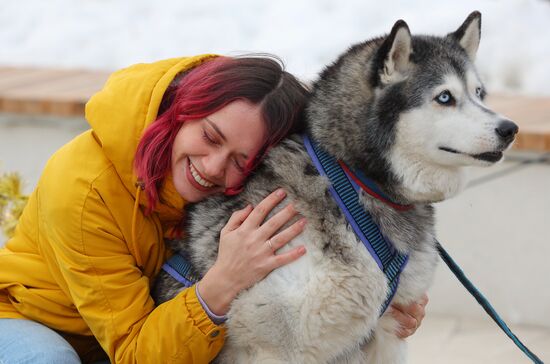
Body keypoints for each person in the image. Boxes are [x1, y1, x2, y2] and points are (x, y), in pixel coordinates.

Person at [0, 54, 428, 364]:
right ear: (182, 109)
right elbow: (134, 355)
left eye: (241, 160)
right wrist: (223, 281)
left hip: (150, 329)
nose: (212, 167)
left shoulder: (243, 182)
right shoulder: (83, 189)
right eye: (209, 136)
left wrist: (383, 302)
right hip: (40, 326)